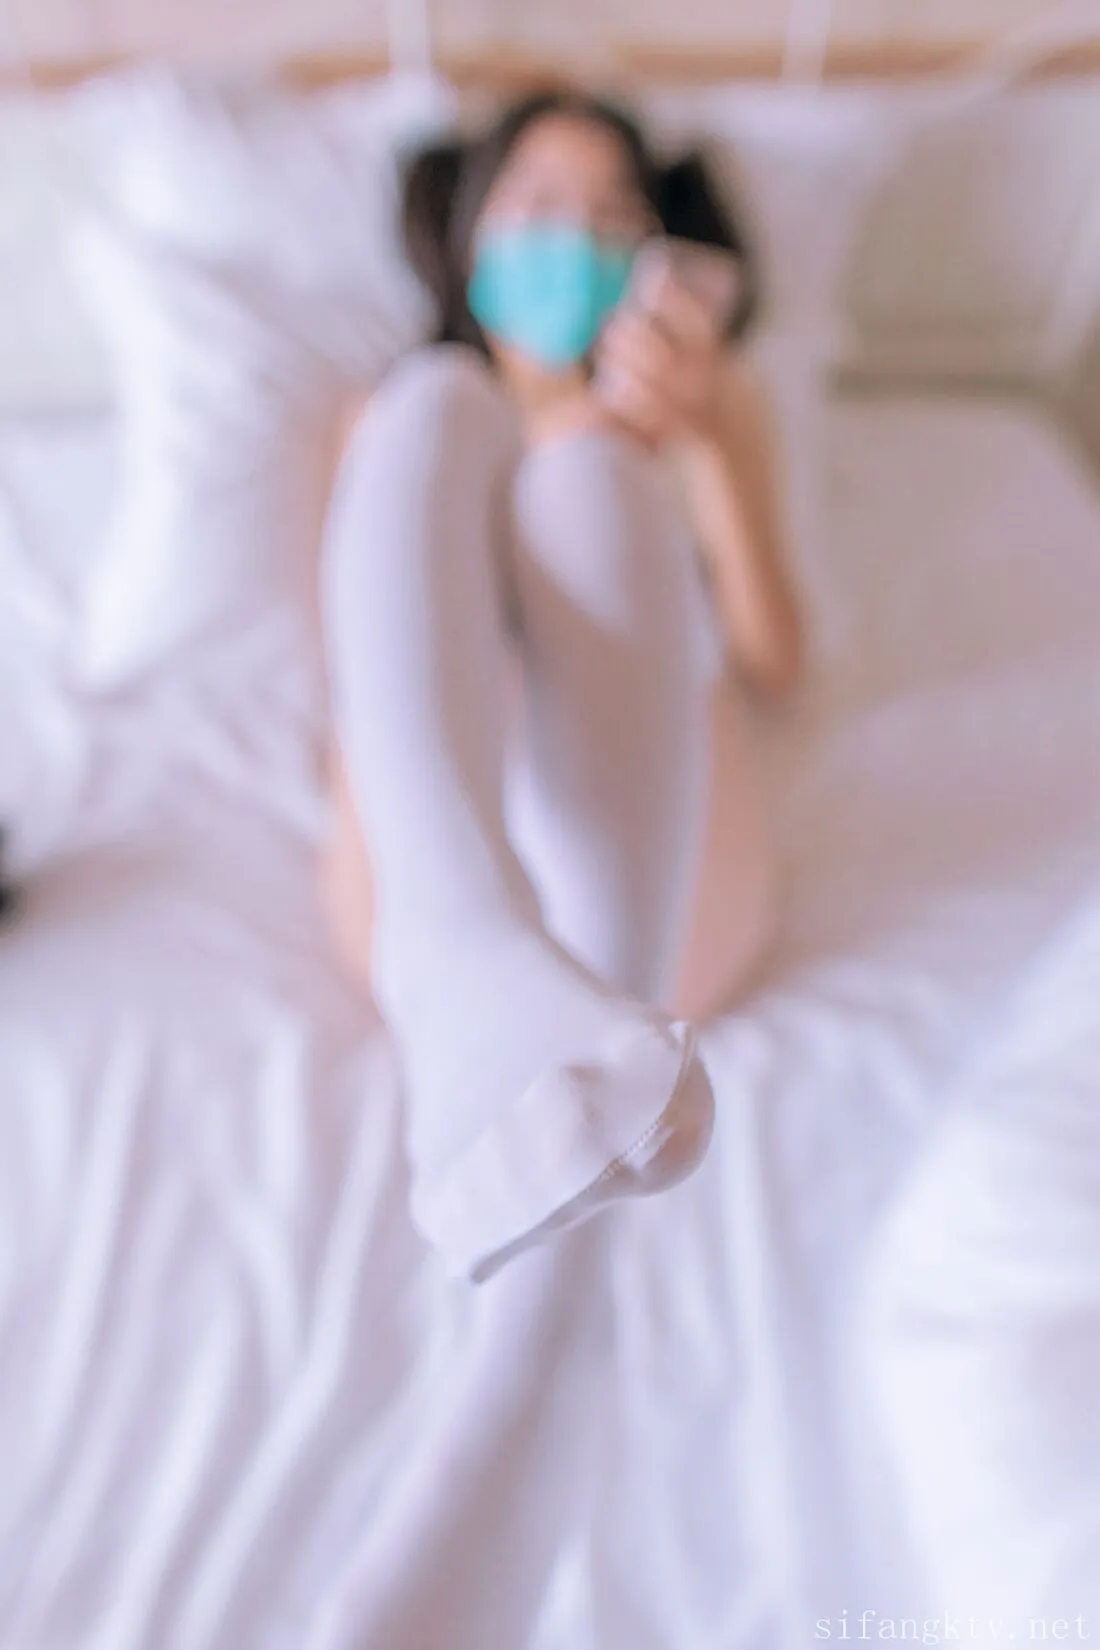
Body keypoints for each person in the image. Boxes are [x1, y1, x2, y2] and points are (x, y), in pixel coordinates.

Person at [316, 87, 804, 1286]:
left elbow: (775, 664)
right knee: (437, 403)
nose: (573, 238)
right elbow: (351, 670)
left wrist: (699, 448)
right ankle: (479, 959)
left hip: (671, 901)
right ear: (470, 235)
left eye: (611, 213)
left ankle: (573, 1021)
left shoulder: (709, 405)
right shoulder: (386, 418)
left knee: (588, 478)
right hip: (421, 859)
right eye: (536, 206)